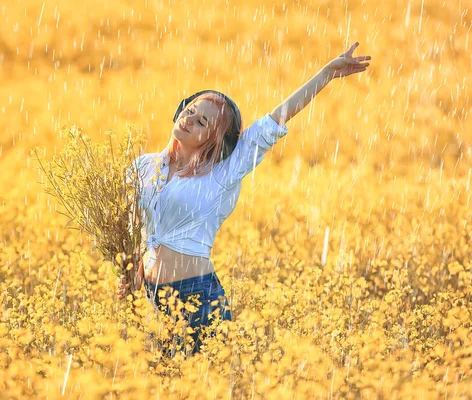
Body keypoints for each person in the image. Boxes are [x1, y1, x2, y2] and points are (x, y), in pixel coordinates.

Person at [117, 42, 372, 356]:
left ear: (215, 139)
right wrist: (131, 273)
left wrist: (326, 74)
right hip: (155, 299)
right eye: (190, 111)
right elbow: (134, 228)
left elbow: (275, 120)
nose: (189, 119)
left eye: (201, 122)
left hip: (199, 300)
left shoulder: (223, 172)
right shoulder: (145, 166)